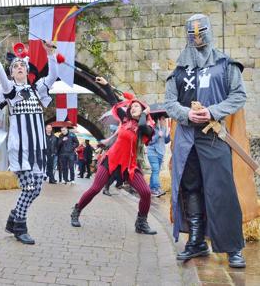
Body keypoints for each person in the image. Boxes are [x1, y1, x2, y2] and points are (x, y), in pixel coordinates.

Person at [164, 14, 247, 268]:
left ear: (209, 32)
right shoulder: (178, 71)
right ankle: (197, 241)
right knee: (190, 189)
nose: (198, 38)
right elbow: (169, 103)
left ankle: (232, 247)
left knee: (222, 190)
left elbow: (238, 96)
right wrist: (186, 114)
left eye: (201, 33)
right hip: (187, 140)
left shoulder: (225, 64)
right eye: (193, 34)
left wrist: (213, 111)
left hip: (213, 137)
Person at [0, 40, 58, 244]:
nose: (19, 68)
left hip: (38, 149)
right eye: (15, 66)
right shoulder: (9, 91)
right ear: (11, 73)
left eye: (22, 66)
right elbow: (2, 77)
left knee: (37, 188)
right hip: (20, 149)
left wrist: (50, 54)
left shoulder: (38, 90)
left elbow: (52, 76)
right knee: (28, 188)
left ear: (27, 71)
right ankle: (20, 226)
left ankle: (13, 216)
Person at [71, 76, 157, 235]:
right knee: (95, 188)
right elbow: (113, 101)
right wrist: (107, 86)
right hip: (110, 161)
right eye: (132, 107)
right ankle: (77, 210)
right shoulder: (124, 120)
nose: (133, 108)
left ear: (144, 109)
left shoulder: (147, 127)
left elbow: (145, 127)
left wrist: (144, 114)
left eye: (136, 107)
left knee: (145, 192)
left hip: (129, 166)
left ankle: (141, 223)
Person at [147, 116, 170, 197]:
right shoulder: (151, 127)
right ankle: (157, 188)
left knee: (155, 171)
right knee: (156, 170)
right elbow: (149, 142)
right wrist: (158, 135)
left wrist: (169, 135)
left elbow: (165, 141)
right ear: (159, 119)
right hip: (152, 151)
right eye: (163, 119)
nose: (165, 120)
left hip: (161, 152)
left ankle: (150, 188)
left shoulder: (164, 128)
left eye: (164, 119)